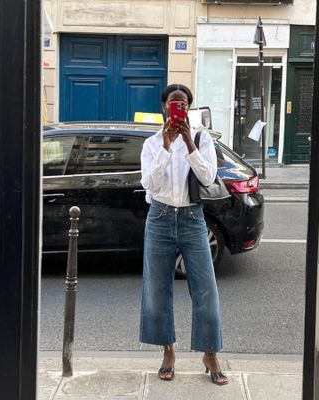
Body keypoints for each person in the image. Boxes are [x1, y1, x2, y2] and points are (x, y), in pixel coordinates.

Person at [139, 84, 228, 385]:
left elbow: (208, 177)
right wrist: (166, 146)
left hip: (192, 219)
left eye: (184, 105)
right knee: (157, 290)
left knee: (206, 289)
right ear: (164, 106)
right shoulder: (151, 144)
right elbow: (149, 185)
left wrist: (188, 143)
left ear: (188, 108)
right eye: (174, 104)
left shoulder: (202, 139)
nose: (179, 110)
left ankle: (210, 353)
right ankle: (168, 352)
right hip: (160, 218)